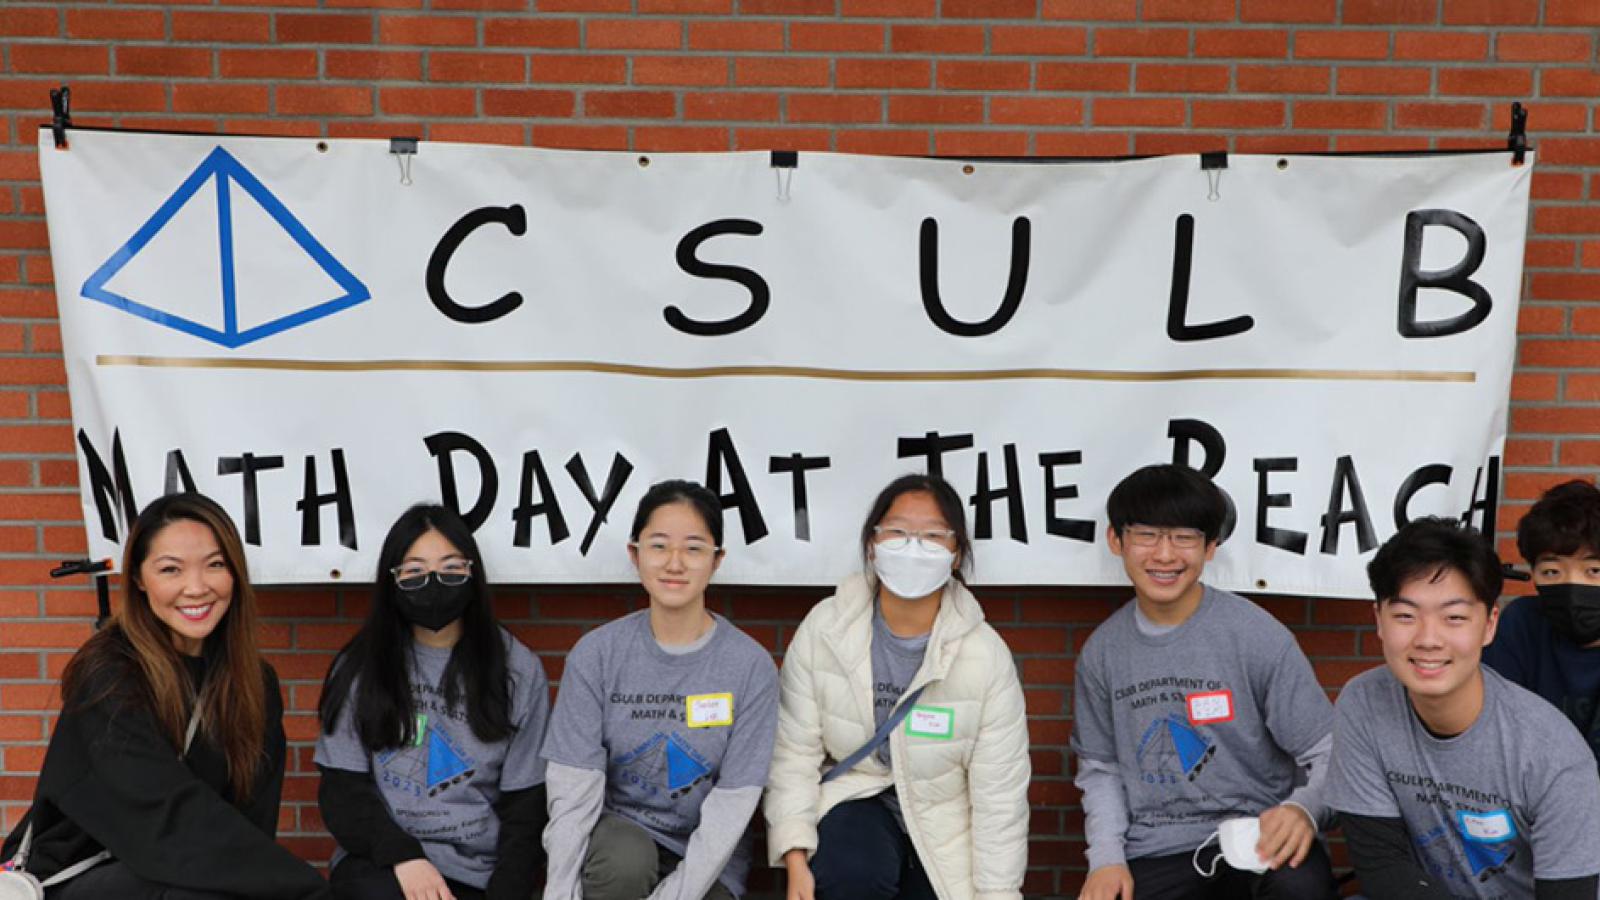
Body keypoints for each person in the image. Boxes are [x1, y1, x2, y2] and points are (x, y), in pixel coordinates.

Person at [0, 492, 329, 898]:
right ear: (139, 579)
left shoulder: (254, 684)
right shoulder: (110, 674)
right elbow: (165, 815)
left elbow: (251, 824)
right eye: (171, 569)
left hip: (179, 872)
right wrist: (306, 889)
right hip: (77, 874)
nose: (196, 587)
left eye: (215, 565)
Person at [1071, 464, 1338, 900]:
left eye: (1185, 537)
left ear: (1211, 547)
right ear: (1116, 540)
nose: (1164, 555)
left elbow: (1329, 751)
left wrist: (1302, 811)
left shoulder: (1255, 635)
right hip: (1156, 851)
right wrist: (1105, 860)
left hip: (1258, 840)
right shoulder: (1103, 653)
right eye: (1146, 535)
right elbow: (1101, 771)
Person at [764, 473, 1029, 900]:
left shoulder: (985, 655)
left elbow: (1000, 797)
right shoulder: (827, 628)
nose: (913, 547)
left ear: (956, 553)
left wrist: (996, 893)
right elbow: (793, 754)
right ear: (872, 544)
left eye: (932, 536)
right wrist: (795, 857)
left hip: (945, 817)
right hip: (856, 798)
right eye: (898, 532)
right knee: (851, 873)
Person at [1328, 517, 1600, 899]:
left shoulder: (1553, 754)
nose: (1428, 640)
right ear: (1379, 621)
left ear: (1489, 625)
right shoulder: (1363, 703)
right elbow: (1381, 865)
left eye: (1454, 618)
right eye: (1405, 616)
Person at [540, 479, 779, 900]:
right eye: (658, 545)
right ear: (635, 554)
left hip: (706, 854)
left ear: (716, 560)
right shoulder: (597, 654)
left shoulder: (751, 666)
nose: (675, 563)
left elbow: (733, 803)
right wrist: (559, 891)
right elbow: (572, 792)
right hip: (619, 841)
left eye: (693, 548)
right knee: (624, 862)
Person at [316, 504, 551, 900]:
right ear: (392, 580)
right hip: (383, 866)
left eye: (450, 567)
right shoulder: (359, 666)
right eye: (414, 571)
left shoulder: (518, 669)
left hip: (478, 873)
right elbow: (343, 792)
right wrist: (404, 857)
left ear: (472, 574)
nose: (434, 581)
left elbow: (526, 807)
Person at [1482, 479, 1600, 764]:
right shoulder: (1521, 624)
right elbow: (1497, 735)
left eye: (1593, 570)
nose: (1572, 584)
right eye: (1551, 572)